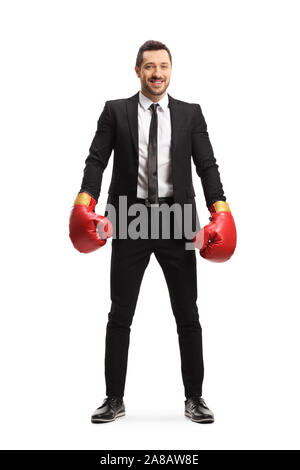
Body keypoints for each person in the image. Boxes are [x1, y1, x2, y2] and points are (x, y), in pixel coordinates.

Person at [69, 40, 237, 424]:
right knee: (120, 313)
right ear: (138, 71)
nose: (157, 73)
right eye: (149, 67)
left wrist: (220, 209)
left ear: (171, 70)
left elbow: (207, 166)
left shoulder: (190, 114)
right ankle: (114, 399)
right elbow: (96, 161)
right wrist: (85, 202)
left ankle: (194, 398)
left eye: (163, 66)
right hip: (129, 217)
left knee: (187, 313)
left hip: (177, 218)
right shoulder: (116, 111)